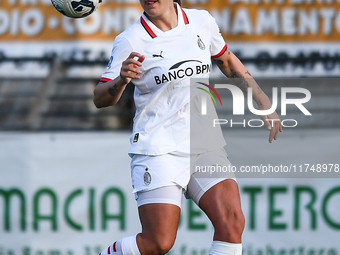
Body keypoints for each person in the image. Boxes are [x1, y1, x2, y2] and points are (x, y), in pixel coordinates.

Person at [93, 0, 282, 254]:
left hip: (204, 142)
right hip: (159, 148)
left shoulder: (201, 21)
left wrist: (261, 99)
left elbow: (226, 60)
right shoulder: (131, 39)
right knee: (158, 243)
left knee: (232, 222)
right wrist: (122, 79)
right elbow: (100, 98)